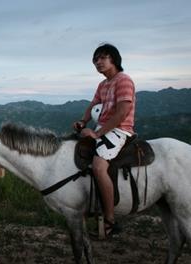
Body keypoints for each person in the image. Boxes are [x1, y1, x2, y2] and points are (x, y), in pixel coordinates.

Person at [73, 43, 136, 237]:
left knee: (99, 166)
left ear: (114, 59)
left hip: (119, 130)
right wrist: (83, 122)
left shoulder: (123, 80)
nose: (98, 62)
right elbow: (93, 104)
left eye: (102, 58)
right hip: (102, 128)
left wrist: (97, 134)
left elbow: (122, 111)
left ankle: (110, 220)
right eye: (95, 60)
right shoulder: (103, 85)